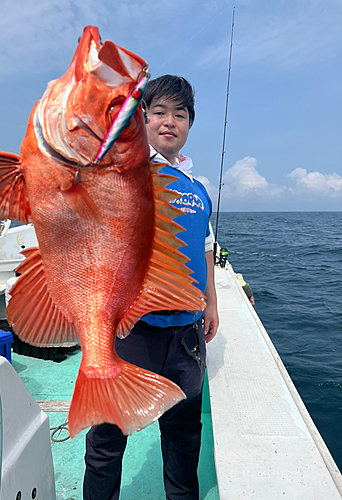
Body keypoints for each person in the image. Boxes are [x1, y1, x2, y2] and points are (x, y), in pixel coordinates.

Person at [83, 75, 219, 500]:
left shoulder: (198, 189)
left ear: (190, 124)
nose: (169, 122)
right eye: (159, 112)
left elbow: (204, 247)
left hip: (186, 338)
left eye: (180, 114)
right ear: (141, 120)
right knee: (106, 441)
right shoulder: (127, 171)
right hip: (132, 332)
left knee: (184, 441)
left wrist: (211, 304)